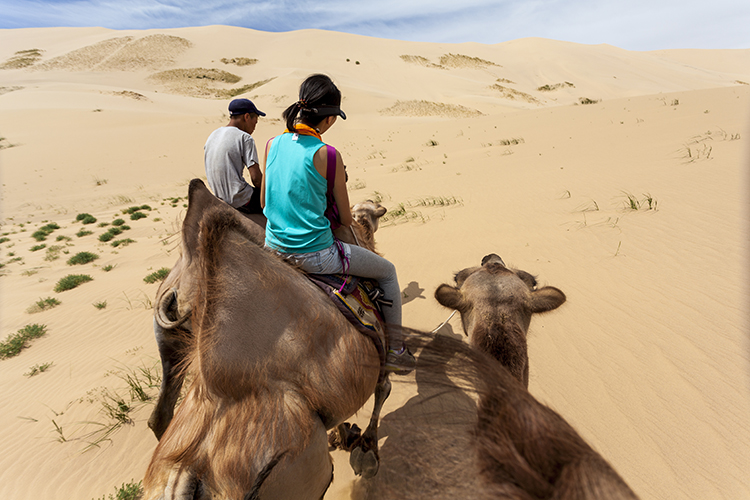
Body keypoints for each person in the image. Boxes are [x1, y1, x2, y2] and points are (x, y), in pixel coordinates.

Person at [261, 74, 415, 374]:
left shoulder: (271, 144)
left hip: (272, 249)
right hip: (315, 256)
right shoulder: (327, 154)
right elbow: (346, 219)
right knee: (388, 273)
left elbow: (265, 204)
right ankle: (396, 348)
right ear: (329, 119)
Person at [204, 98, 265, 215]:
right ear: (246, 117)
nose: (254, 127)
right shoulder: (245, 138)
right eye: (255, 122)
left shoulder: (213, 135)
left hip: (218, 197)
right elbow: (256, 179)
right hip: (239, 199)